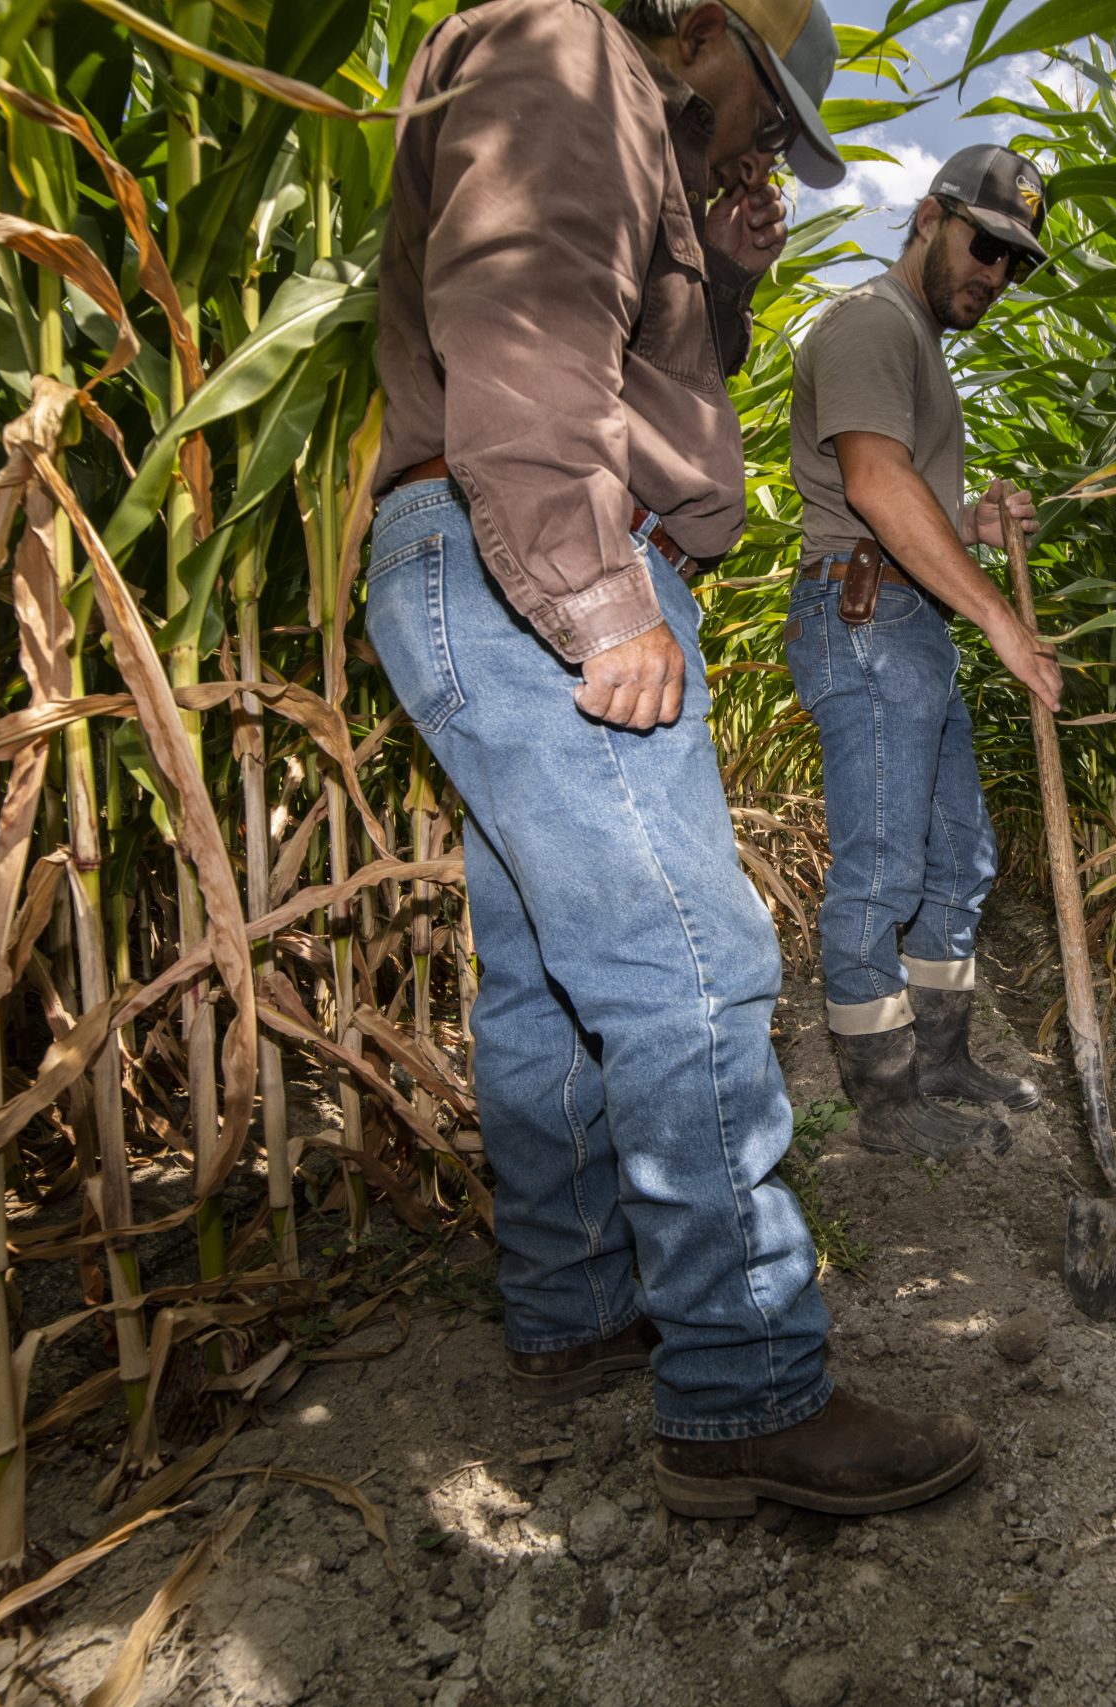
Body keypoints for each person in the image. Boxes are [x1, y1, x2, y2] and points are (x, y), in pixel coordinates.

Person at [369, 0, 980, 1519]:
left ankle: (575, 1300)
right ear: (697, 31)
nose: (764, 142)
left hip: (465, 547)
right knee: (691, 961)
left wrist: (731, 267)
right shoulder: (574, 59)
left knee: (544, 979)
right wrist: (598, 600)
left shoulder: (603, 115)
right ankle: (744, 1384)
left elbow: (627, 364)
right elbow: (521, 328)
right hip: (537, 557)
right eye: (765, 107)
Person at [785, 144, 1064, 1158]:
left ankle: (941, 1058)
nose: (995, 274)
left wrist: (974, 522)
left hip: (908, 623)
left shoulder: (915, 343)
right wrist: (1001, 620)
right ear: (930, 216)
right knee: (882, 871)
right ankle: (887, 1104)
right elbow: (872, 486)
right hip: (865, 621)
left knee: (961, 859)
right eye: (986, 244)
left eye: (1016, 263)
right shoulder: (870, 321)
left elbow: (911, 497)